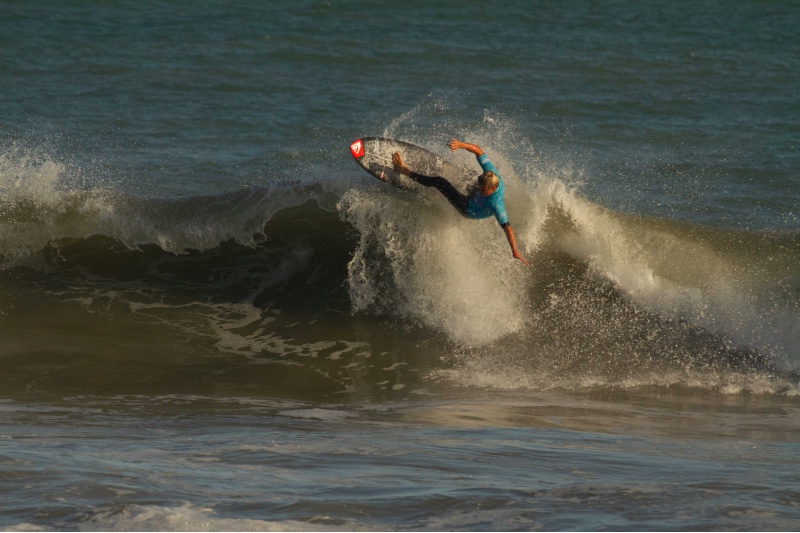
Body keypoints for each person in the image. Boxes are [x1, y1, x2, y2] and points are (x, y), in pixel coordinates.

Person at [391, 138, 528, 266]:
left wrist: (515, 251)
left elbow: (508, 229)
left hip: (468, 208)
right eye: (480, 187)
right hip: (476, 198)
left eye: (483, 189)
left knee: (439, 181)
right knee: (471, 173)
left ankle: (404, 171)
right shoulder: (491, 174)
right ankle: (448, 186)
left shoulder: (496, 204)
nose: (480, 189)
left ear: (492, 189)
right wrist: (461, 145)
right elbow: (478, 151)